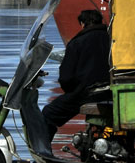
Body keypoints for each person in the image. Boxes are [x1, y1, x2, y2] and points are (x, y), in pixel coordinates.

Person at [41, 9, 111, 150]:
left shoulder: (77, 43)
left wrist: (72, 91)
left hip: (87, 94)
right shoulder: (112, 39)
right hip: (112, 92)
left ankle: (44, 151)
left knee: (48, 113)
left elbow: (66, 77)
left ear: (82, 24)